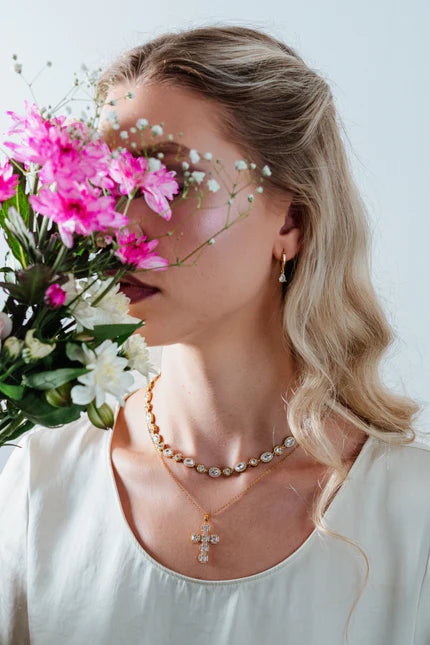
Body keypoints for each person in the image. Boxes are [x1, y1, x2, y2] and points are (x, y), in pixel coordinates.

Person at [1, 24, 429, 645]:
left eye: (171, 180)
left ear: (292, 221)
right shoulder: (38, 486)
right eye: (106, 185)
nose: (118, 228)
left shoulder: (412, 515)